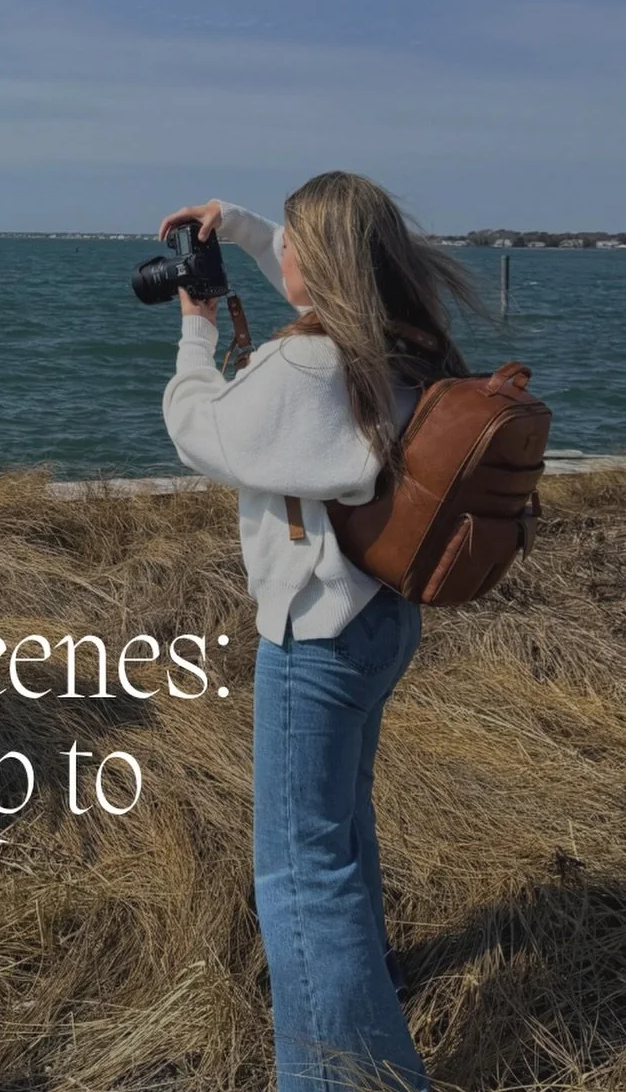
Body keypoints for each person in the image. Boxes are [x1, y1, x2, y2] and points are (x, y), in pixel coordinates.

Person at [159, 172, 476, 1092]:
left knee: (302, 876)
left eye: (292, 241)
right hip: (381, 617)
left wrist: (196, 329)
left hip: (317, 636)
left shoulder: (308, 365)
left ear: (323, 260)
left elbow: (200, 430)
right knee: (340, 831)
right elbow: (310, 274)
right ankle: (368, 991)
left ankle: (347, 1077)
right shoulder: (403, 342)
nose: (282, 252)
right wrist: (250, 227)